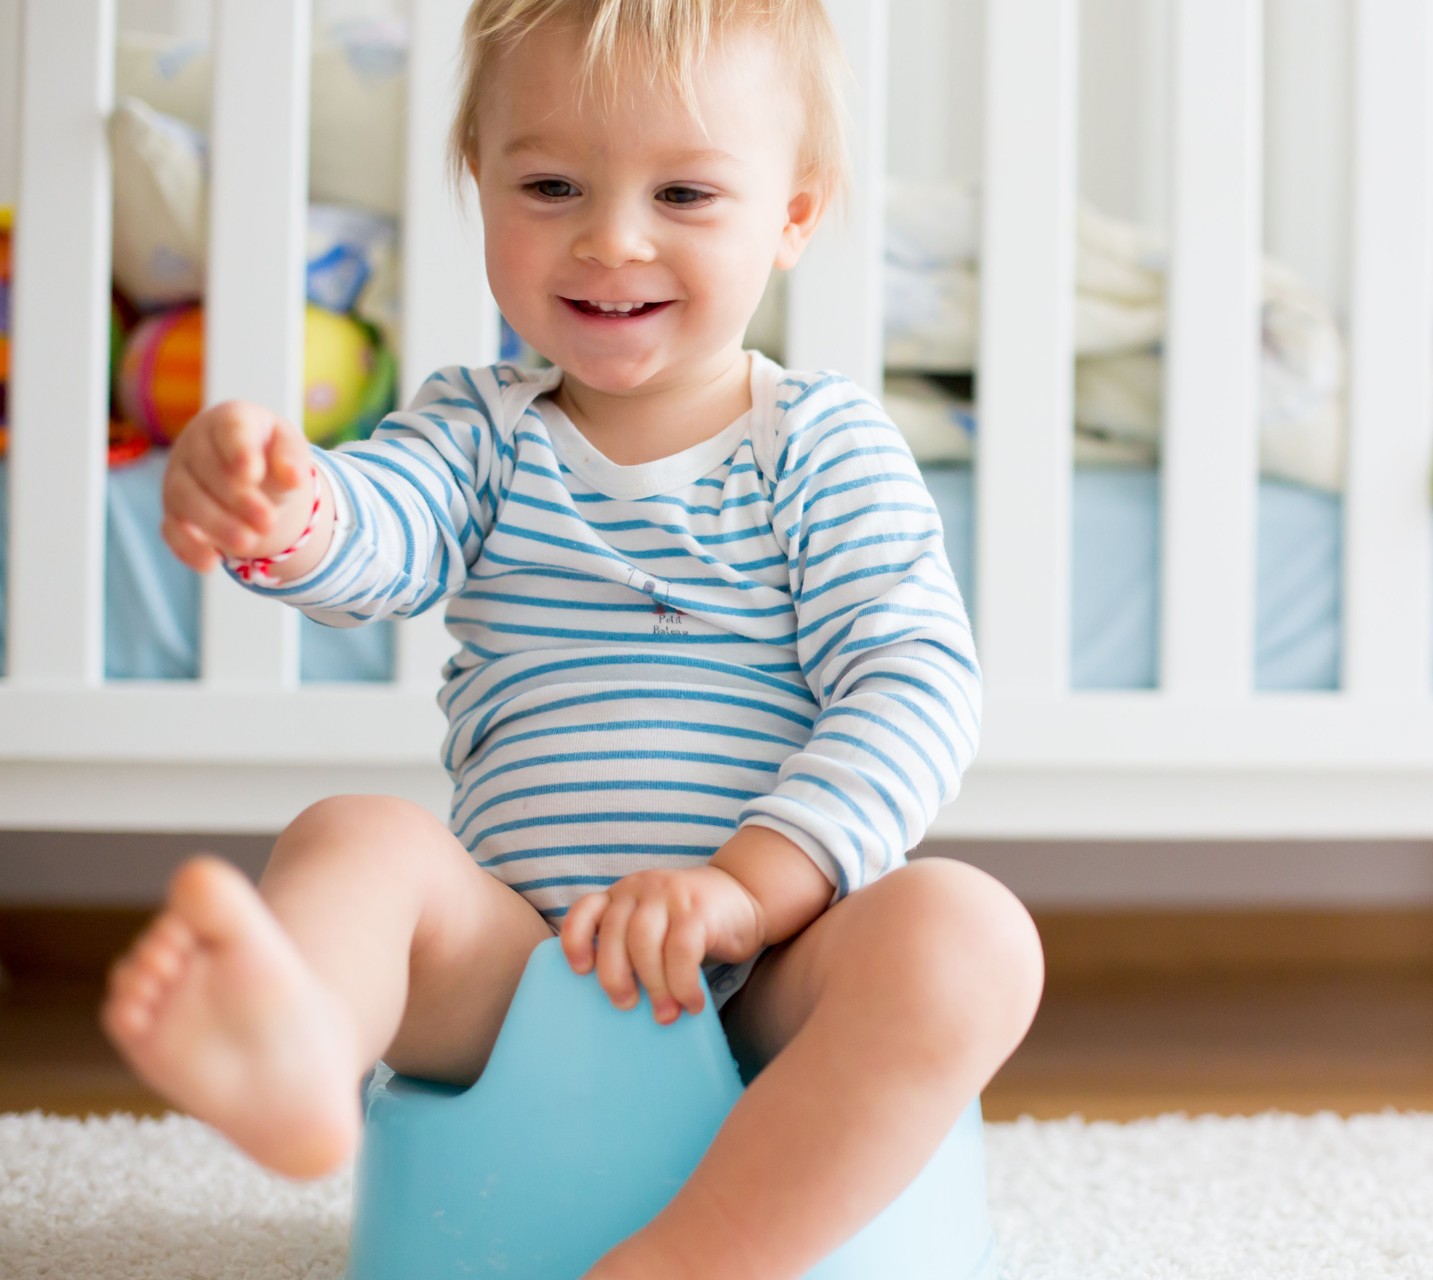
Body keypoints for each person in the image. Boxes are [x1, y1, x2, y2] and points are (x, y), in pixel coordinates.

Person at [99, 2, 1044, 1275]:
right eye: (550, 186)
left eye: (685, 193)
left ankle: (700, 1254)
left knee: (971, 934)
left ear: (793, 216)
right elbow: (381, 533)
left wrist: (748, 886)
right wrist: (287, 502)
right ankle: (301, 1053)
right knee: (354, 836)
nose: (611, 239)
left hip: (770, 973)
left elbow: (912, 683)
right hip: (517, 970)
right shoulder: (478, 432)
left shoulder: (822, 448)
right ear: (478, 181)